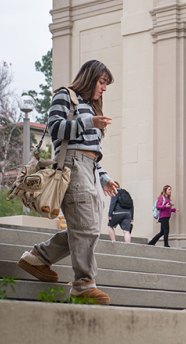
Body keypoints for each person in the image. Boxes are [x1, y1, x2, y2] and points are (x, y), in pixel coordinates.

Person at [17, 60, 118, 306]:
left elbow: (91, 150)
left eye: (106, 84)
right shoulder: (65, 96)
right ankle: (84, 285)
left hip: (90, 170)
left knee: (89, 227)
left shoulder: (90, 106)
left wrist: (103, 177)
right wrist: (89, 122)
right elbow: (56, 129)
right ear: (90, 77)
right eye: (102, 82)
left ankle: (39, 257)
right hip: (72, 166)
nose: (104, 88)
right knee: (86, 227)